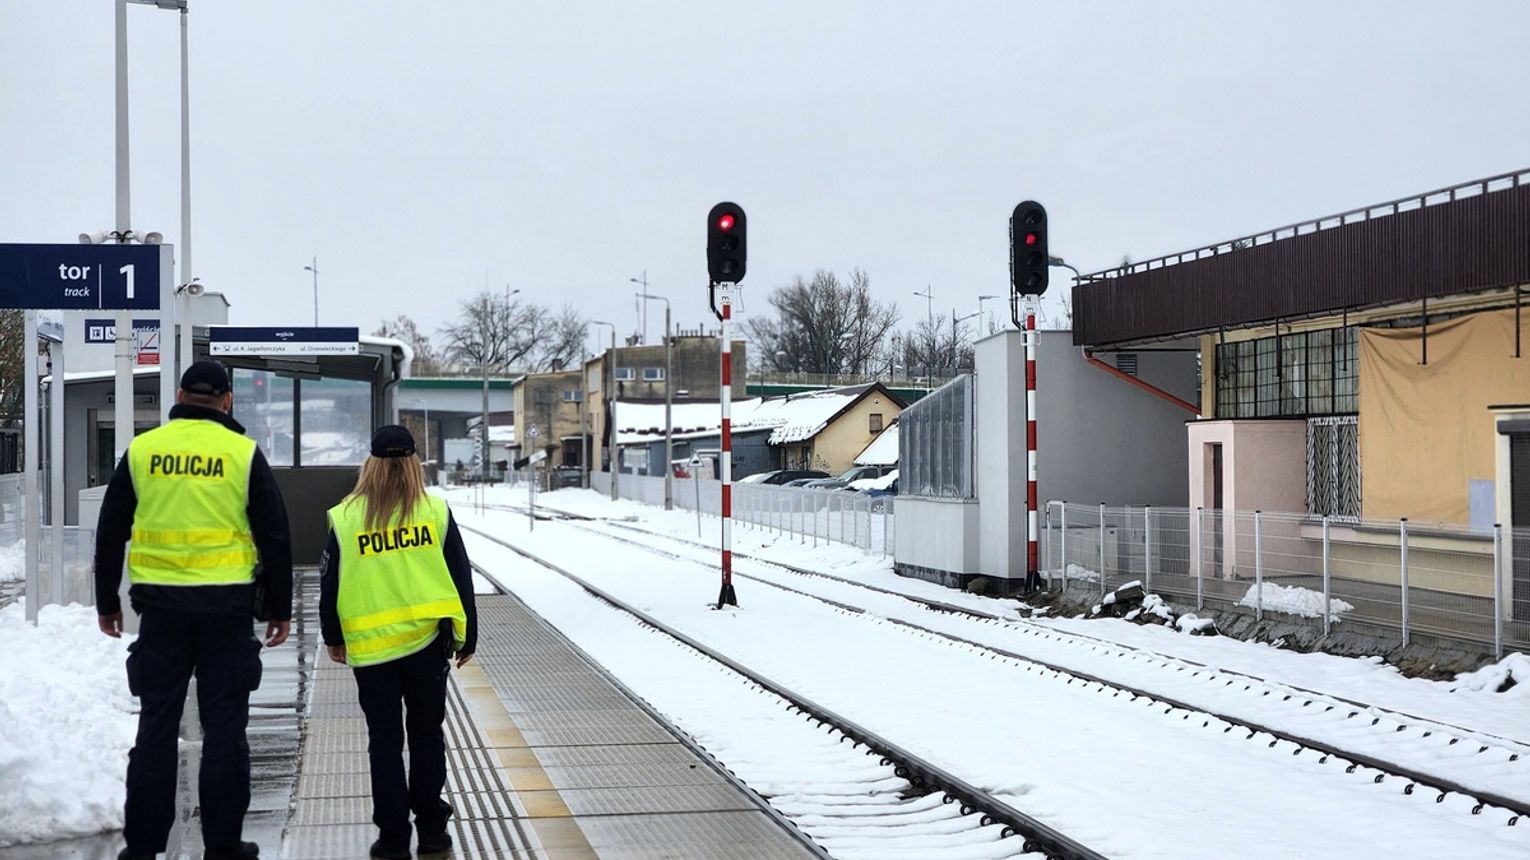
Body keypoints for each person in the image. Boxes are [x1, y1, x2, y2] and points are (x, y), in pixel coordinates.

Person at [95, 361, 293, 860]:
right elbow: (274, 534)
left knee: (156, 726)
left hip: (160, 611)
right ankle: (224, 845)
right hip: (227, 611)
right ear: (228, 401)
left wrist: (106, 602)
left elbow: (111, 528)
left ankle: (142, 847)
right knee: (226, 729)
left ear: (181, 394)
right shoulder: (242, 454)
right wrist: (280, 609)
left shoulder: (143, 450)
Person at [320, 425, 477, 859]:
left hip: (371, 649)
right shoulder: (435, 512)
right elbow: (460, 576)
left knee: (384, 742)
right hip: (427, 644)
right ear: (413, 464)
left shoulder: (346, 516)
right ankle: (431, 831)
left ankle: (392, 837)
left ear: (369, 465)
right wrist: (468, 637)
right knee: (427, 735)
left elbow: (329, 580)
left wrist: (333, 635)